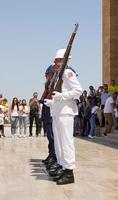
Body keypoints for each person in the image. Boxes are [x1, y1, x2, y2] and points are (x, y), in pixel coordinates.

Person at [44, 48, 83, 185]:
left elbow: (78, 90)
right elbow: (58, 96)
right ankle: (62, 166)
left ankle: (69, 171)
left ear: (62, 60)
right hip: (58, 112)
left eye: (56, 60)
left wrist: (62, 96)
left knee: (66, 142)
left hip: (66, 112)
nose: (54, 63)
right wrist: (52, 102)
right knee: (59, 143)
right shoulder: (58, 75)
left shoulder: (68, 72)